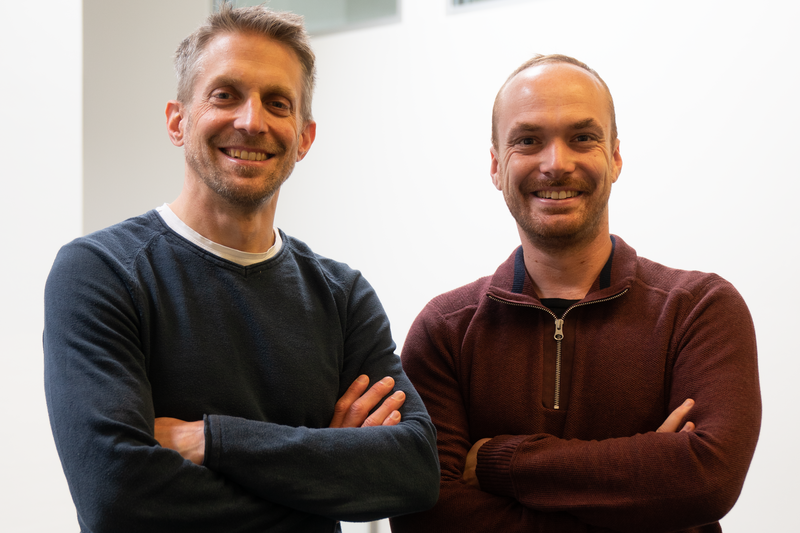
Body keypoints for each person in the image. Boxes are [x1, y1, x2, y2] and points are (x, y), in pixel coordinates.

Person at [43, 5, 438, 533]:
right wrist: (324, 475)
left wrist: (211, 439)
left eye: (277, 103)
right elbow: (117, 497)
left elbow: (412, 472)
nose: (252, 122)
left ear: (304, 137)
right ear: (177, 121)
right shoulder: (101, 273)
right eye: (225, 95)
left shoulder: (342, 296)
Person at [390, 54, 760, 533]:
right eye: (528, 140)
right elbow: (427, 517)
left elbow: (708, 479)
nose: (556, 164)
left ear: (616, 157)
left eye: (582, 137)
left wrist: (499, 462)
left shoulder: (699, 309)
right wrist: (646, 491)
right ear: (497, 165)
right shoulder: (444, 330)